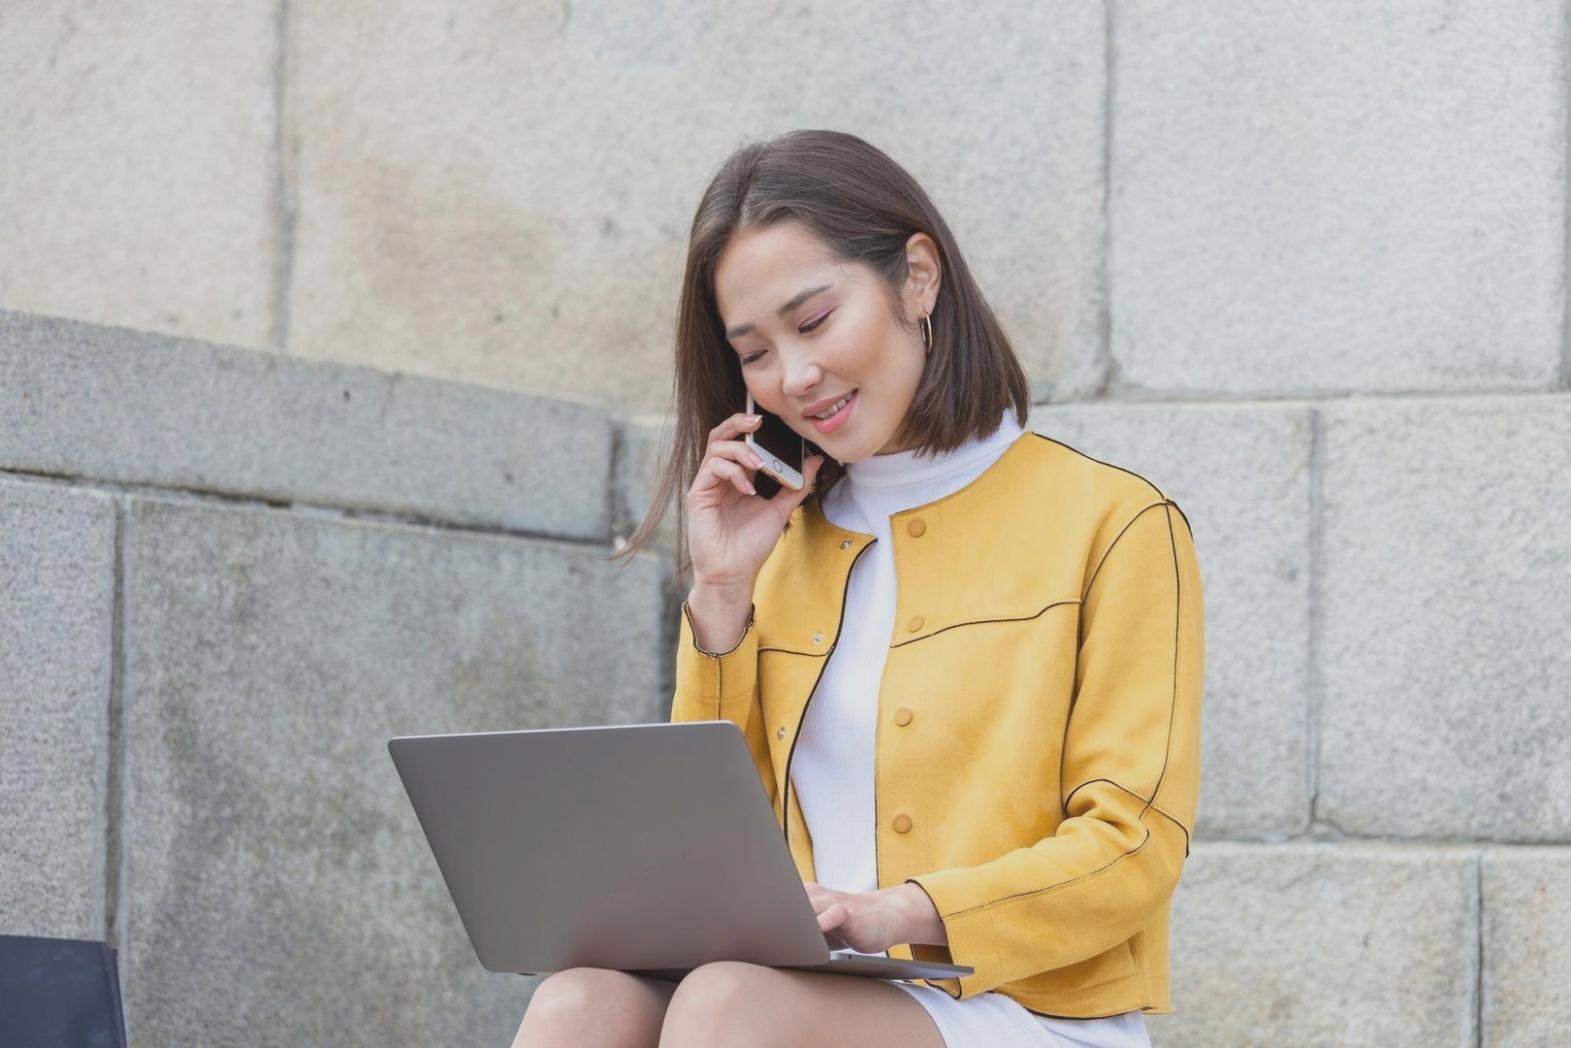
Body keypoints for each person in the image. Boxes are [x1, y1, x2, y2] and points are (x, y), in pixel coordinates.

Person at [513, 129, 1204, 1048]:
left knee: (727, 1007)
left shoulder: (1113, 523)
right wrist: (720, 592)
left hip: (1019, 1011)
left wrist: (900, 911)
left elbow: (1133, 846)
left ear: (917, 277)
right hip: (806, 992)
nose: (793, 378)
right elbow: (714, 855)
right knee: (581, 1001)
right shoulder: (779, 547)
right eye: (753, 351)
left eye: (813, 321)